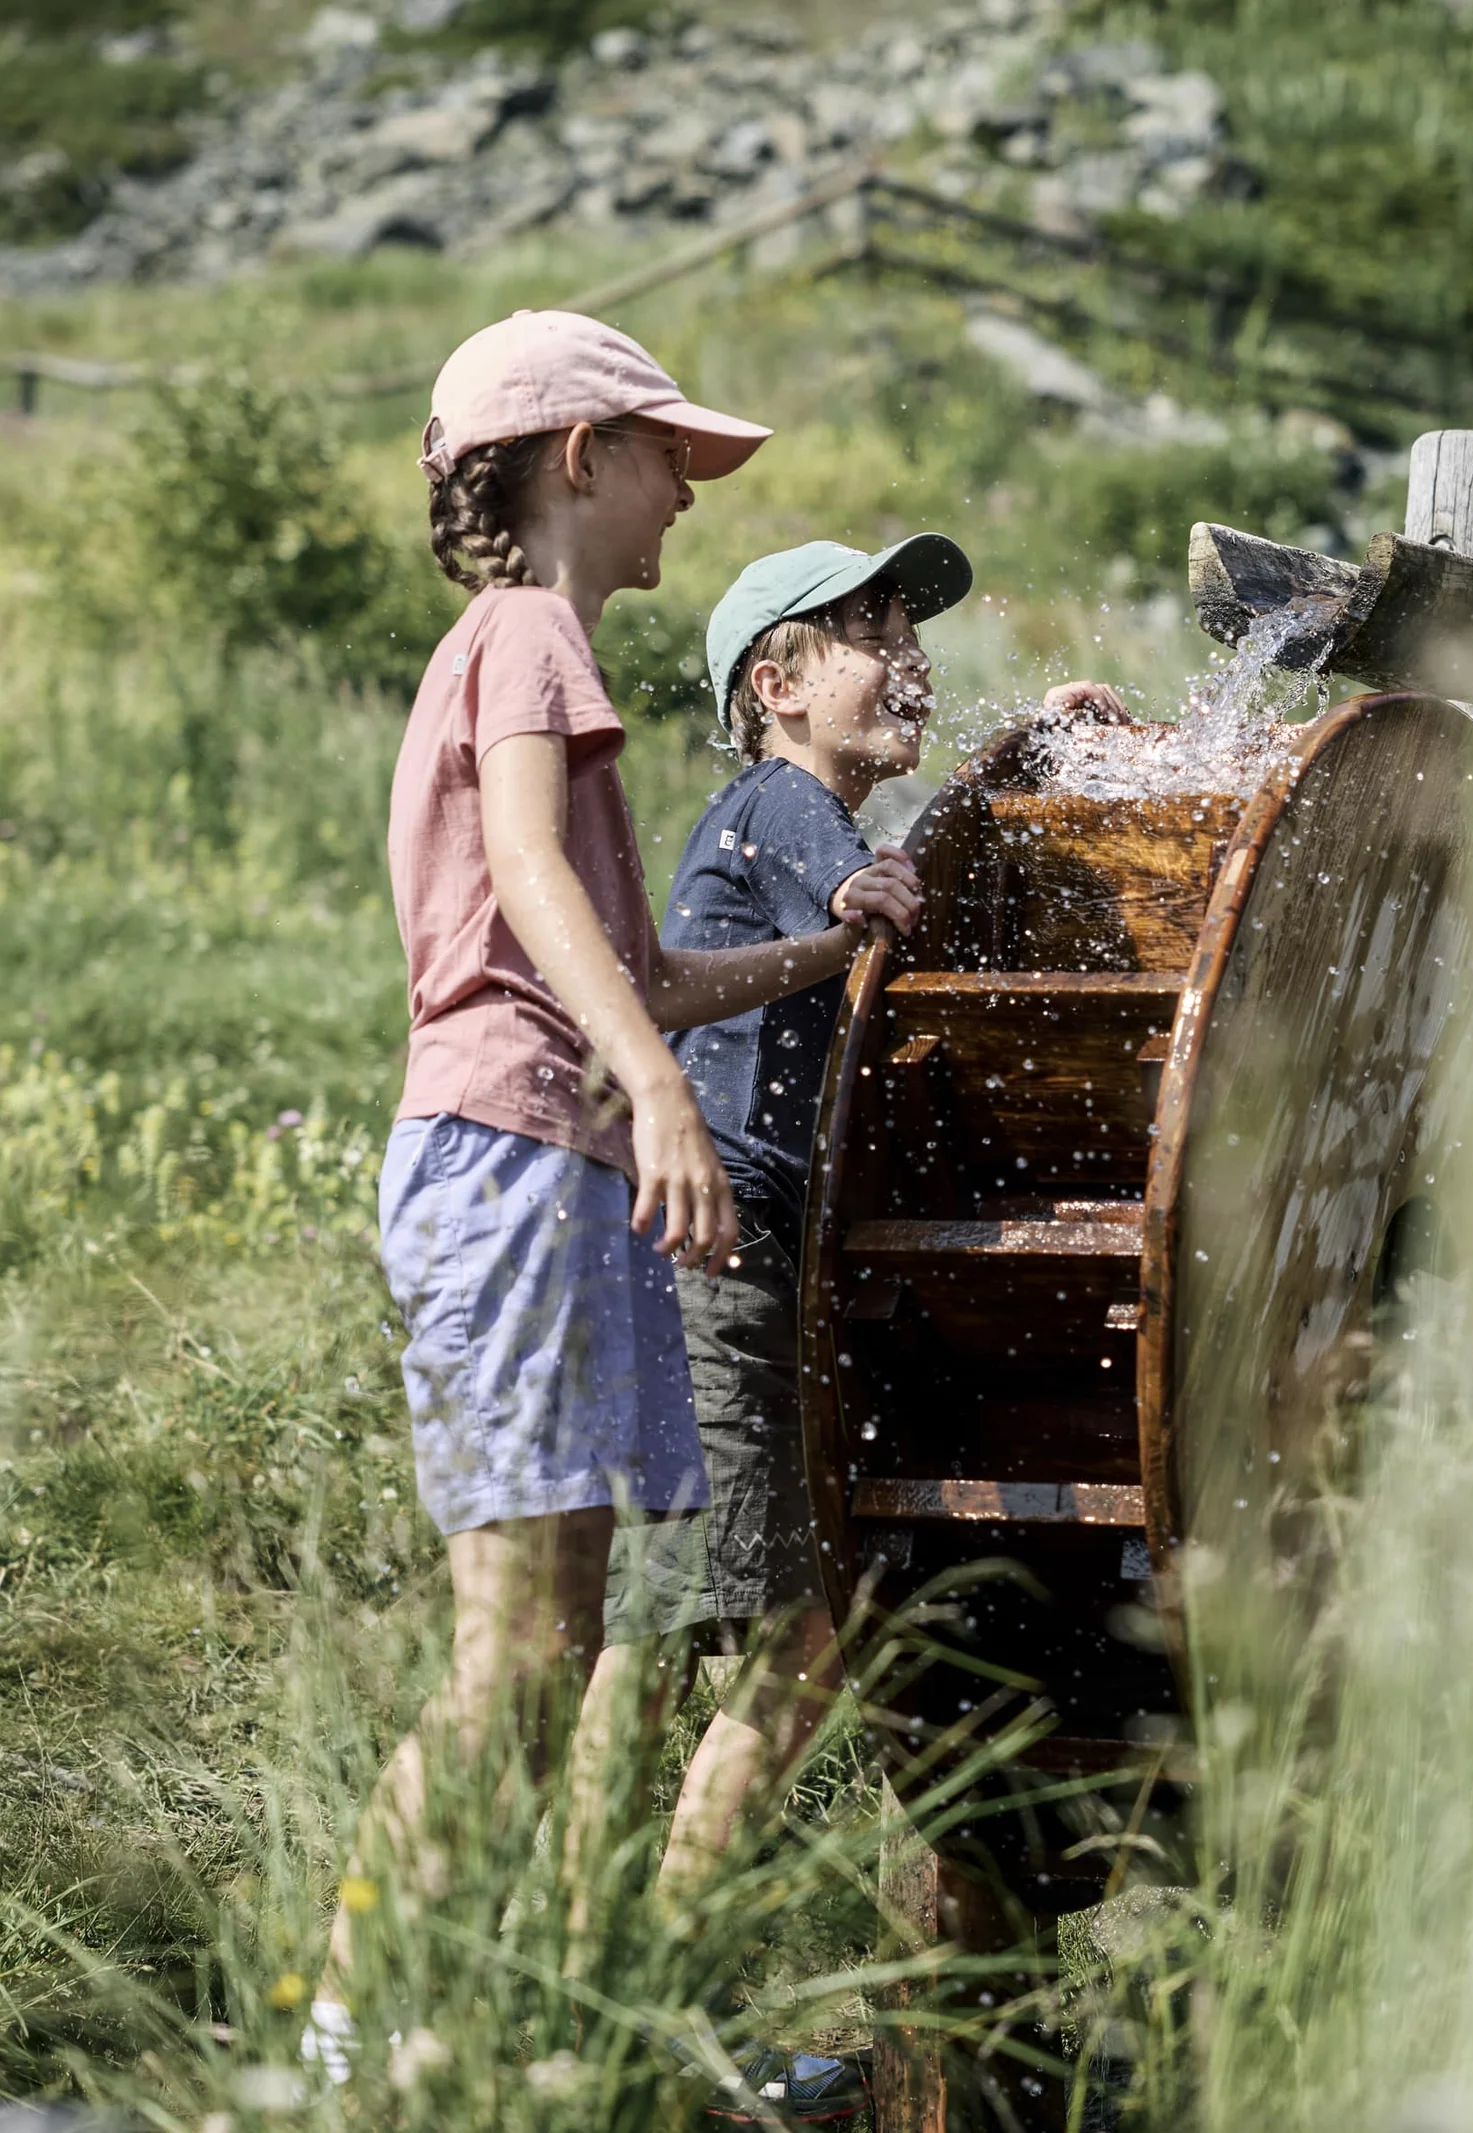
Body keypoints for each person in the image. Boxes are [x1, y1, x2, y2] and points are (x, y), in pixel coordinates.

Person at [302, 316, 922, 2079]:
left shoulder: (548, 659)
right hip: (516, 1154)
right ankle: (350, 2049)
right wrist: (652, 1088)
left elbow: (637, 964)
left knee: (565, 1649)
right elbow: (518, 878)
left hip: (555, 1168)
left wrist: (813, 953)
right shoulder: (520, 636)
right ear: (577, 458)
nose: (685, 498)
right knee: (511, 1657)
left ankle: (492, 2029)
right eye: (665, 461)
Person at [568, 537, 1122, 2115]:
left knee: (655, 1648)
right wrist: (923, 850)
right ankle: (656, 2009)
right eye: (870, 629)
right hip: (723, 1270)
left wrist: (1042, 749)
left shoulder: (785, 817)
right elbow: (870, 895)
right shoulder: (784, 806)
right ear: (779, 682)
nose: (907, 652)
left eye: (910, 625)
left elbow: (876, 918)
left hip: (701, 1269)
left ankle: (590, 1987)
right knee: (779, 1648)